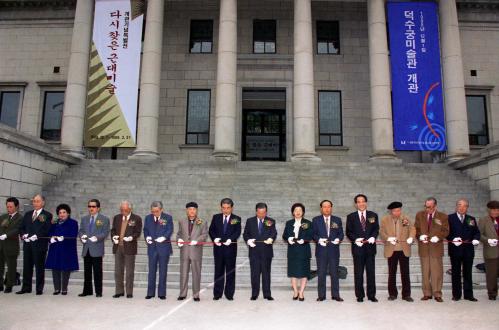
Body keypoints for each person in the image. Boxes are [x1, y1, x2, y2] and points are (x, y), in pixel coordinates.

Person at [414, 197, 449, 302]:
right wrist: (419, 236)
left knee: (437, 272)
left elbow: (446, 230)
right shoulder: (420, 215)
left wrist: (438, 237)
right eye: (426, 206)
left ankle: (437, 293)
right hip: (424, 247)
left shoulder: (442, 216)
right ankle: (427, 293)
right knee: (425, 272)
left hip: (436, 248)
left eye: (430, 207)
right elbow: (416, 229)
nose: (427, 209)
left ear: (435, 206)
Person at [379, 201, 416, 302]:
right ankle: (392, 294)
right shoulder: (385, 220)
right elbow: (381, 232)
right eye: (395, 211)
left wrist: (411, 238)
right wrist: (388, 238)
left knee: (405, 273)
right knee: (392, 273)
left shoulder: (406, 218)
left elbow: (412, 229)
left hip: (404, 249)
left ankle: (406, 294)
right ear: (391, 211)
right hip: (391, 249)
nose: (397, 212)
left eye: (399, 210)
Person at [17, 194, 53, 295]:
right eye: (34, 201)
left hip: (39, 245)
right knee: (27, 267)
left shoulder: (47, 215)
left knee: (39, 267)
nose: (35, 203)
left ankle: (39, 288)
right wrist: (23, 235)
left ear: (43, 203)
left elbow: (46, 229)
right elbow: (21, 227)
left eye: (37, 201)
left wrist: (36, 235)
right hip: (28, 244)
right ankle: (26, 287)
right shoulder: (28, 214)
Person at [346, 194, 379, 302]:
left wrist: (373, 237)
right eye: (359, 202)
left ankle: (371, 295)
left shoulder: (373, 215)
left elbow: (376, 229)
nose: (361, 203)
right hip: (358, 249)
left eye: (363, 201)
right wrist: (355, 239)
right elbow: (348, 232)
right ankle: (359, 295)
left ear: (366, 202)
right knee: (358, 273)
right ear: (356, 204)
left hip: (370, 248)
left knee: (371, 272)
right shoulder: (351, 216)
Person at [447, 199, 480, 302]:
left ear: (467, 207)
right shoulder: (449, 218)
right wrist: (452, 239)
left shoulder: (471, 219)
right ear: (456, 206)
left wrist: (476, 239)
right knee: (456, 272)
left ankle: (468, 294)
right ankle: (456, 295)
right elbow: (445, 232)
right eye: (460, 205)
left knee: (468, 272)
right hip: (455, 249)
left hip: (468, 250)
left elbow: (476, 232)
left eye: (464, 206)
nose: (462, 207)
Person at [243, 202, 277, 301]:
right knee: (255, 274)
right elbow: (245, 234)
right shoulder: (250, 221)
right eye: (259, 213)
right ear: (256, 211)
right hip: (254, 251)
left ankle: (267, 294)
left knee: (266, 274)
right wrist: (248, 240)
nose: (261, 215)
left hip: (266, 252)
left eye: (263, 213)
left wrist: (271, 238)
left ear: (266, 212)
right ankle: (254, 294)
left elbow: (274, 232)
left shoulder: (271, 221)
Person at [209, 198, 241, 301]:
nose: (225, 210)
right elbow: (211, 230)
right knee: (218, 271)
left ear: (232, 208)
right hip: (218, 249)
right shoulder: (216, 217)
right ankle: (217, 294)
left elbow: (237, 231)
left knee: (230, 272)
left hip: (230, 249)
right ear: (221, 207)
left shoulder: (236, 218)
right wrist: (215, 239)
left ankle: (229, 294)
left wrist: (230, 239)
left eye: (228, 208)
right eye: (223, 208)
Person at [312, 200, 344, 302]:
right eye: (324, 207)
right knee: (321, 273)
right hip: (321, 250)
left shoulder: (337, 220)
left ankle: (336, 295)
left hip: (333, 250)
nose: (327, 208)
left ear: (331, 208)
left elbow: (341, 233)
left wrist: (338, 239)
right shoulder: (316, 220)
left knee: (334, 273)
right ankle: (321, 295)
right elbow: (313, 234)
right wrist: (319, 240)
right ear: (321, 208)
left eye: (329, 206)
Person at [177, 201, 208, 301]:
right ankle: (182, 294)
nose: (192, 211)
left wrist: (197, 241)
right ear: (187, 210)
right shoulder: (182, 221)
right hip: (185, 251)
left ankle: (196, 295)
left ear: (196, 210)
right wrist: (179, 240)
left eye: (194, 209)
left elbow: (204, 235)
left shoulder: (202, 221)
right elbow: (179, 234)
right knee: (183, 273)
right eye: (190, 209)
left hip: (196, 251)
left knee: (196, 273)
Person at [78, 199, 110, 297]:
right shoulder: (84, 219)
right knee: (87, 271)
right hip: (86, 248)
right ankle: (87, 290)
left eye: (93, 206)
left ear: (98, 208)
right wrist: (82, 236)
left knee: (97, 272)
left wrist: (97, 237)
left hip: (97, 248)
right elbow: (81, 231)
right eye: (89, 206)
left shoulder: (104, 219)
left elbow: (105, 232)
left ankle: (98, 292)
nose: (91, 208)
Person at [111, 200, 142, 298]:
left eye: (125, 210)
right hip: (118, 247)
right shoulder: (117, 217)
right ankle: (119, 291)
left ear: (130, 209)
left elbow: (138, 232)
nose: (123, 211)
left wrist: (131, 237)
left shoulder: (136, 218)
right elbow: (113, 230)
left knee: (129, 271)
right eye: (122, 209)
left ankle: (129, 292)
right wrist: (114, 237)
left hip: (129, 247)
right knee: (118, 271)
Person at [45, 204, 79, 295]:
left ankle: (64, 288)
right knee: (55, 268)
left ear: (68, 213)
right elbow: (49, 232)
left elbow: (73, 234)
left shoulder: (73, 222)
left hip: (67, 248)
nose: (62, 214)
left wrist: (63, 237)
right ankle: (56, 289)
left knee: (65, 269)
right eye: (60, 213)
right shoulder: (54, 223)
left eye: (64, 212)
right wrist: (51, 238)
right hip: (55, 248)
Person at [144, 201, 173, 300]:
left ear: (161, 209)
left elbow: (170, 229)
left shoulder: (167, 217)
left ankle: (161, 293)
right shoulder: (148, 218)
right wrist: (147, 237)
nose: (154, 213)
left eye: (156, 211)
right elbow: (145, 229)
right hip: (152, 248)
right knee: (151, 271)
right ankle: (150, 293)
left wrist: (164, 237)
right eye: (153, 211)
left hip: (163, 248)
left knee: (163, 271)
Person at [283, 203, 313, 301]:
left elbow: (311, 235)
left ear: (303, 212)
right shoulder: (289, 223)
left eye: (300, 210)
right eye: (296, 210)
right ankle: (295, 291)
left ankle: (301, 292)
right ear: (293, 212)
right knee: (293, 272)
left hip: (304, 250)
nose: (298, 212)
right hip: (292, 250)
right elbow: (284, 235)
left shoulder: (308, 223)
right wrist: (288, 238)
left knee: (304, 272)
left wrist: (303, 240)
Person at [0, 197, 23, 293]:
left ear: (16, 207)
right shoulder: (3, 217)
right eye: (7, 206)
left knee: (11, 267)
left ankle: (9, 285)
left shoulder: (20, 218)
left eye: (11, 206)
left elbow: (17, 229)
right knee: (0, 266)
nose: (8, 208)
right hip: (1, 245)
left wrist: (6, 235)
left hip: (11, 245)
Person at [478, 200, 499, 300]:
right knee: (491, 274)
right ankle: (492, 293)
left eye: (497, 210)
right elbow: (479, 235)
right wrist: (488, 240)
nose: (495, 212)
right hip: (491, 251)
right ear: (489, 210)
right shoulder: (483, 220)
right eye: (493, 210)